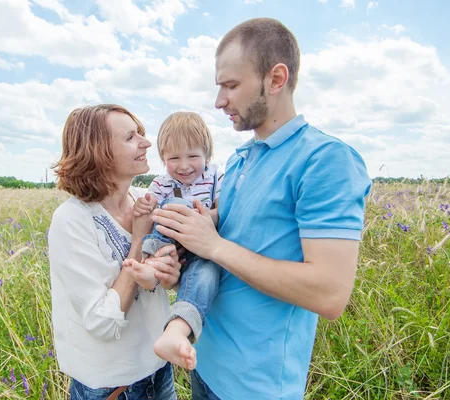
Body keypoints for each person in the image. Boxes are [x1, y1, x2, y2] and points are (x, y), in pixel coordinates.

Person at [151, 18, 373, 399]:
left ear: (276, 79)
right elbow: (222, 250)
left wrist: (213, 245)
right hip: (203, 361)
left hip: (255, 384)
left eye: (231, 85)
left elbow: (330, 294)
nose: (219, 101)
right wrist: (178, 257)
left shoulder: (325, 160)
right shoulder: (239, 161)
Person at [48, 104, 181, 400]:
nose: (147, 143)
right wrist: (137, 240)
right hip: (113, 386)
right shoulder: (72, 220)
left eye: (141, 135)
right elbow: (102, 322)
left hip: (158, 370)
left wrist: (169, 275)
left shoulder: (142, 201)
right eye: (131, 137)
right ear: (99, 152)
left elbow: (156, 286)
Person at [123, 112, 223, 370]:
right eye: (173, 158)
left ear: (207, 155)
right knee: (176, 204)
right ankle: (151, 264)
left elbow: (221, 211)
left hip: (200, 252)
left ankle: (177, 330)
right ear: (163, 159)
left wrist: (201, 219)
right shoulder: (163, 182)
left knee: (208, 275)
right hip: (169, 247)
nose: (184, 166)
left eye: (193, 156)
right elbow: (148, 207)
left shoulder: (214, 176)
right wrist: (144, 208)